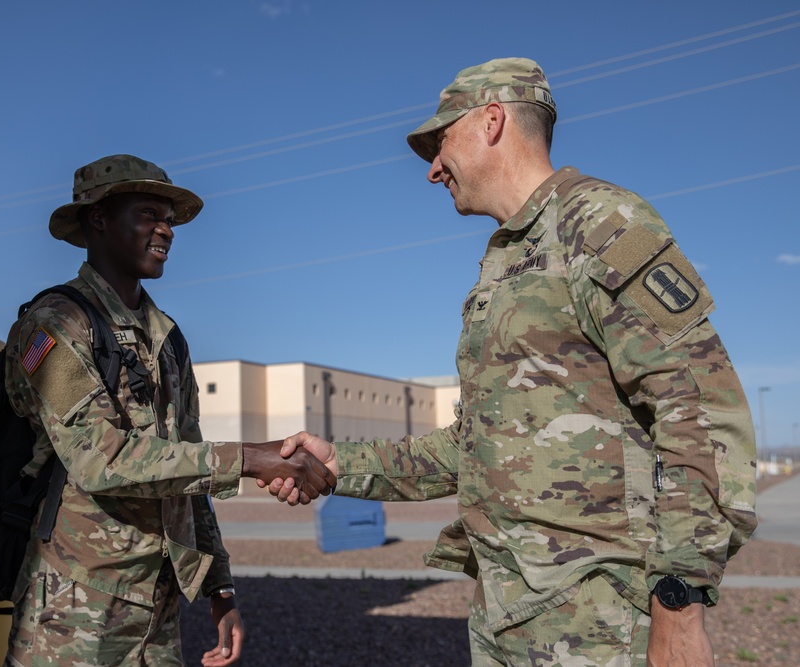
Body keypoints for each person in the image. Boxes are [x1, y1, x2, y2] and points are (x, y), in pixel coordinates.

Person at [269, 58, 758, 665]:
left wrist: (679, 608)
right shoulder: (504, 262)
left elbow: (700, 410)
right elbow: (475, 446)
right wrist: (342, 463)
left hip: (601, 625)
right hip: (510, 616)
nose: (432, 169)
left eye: (441, 141)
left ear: (492, 120)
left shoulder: (598, 222)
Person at [3, 154, 335, 667]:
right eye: (148, 214)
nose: (166, 230)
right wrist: (250, 458)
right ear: (99, 219)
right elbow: (99, 459)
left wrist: (219, 590)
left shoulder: (166, 338)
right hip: (75, 609)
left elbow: (187, 468)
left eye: (170, 220)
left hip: (157, 608)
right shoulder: (54, 325)